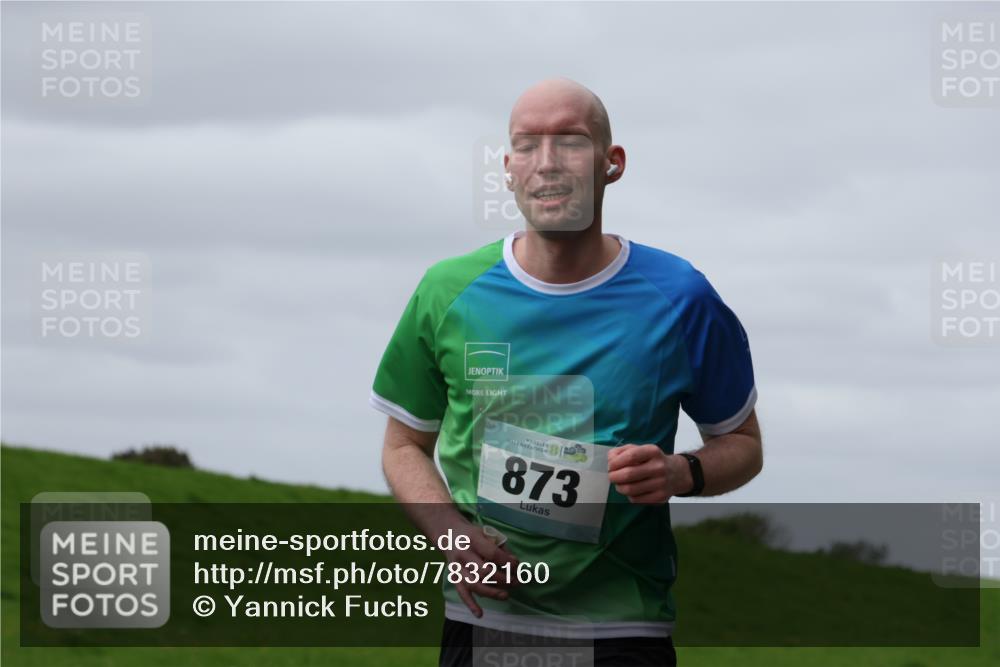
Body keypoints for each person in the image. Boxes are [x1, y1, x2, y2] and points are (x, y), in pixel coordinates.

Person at [370, 78, 763, 667]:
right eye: (527, 144)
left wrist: (682, 472)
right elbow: (404, 445)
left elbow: (744, 443)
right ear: (507, 167)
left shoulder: (681, 297)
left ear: (613, 163)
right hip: (483, 625)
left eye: (571, 142)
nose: (547, 163)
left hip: (623, 629)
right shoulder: (448, 291)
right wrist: (449, 533)